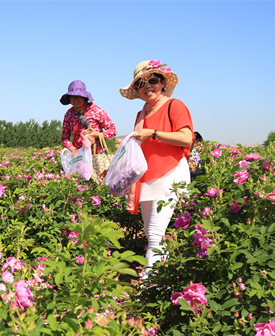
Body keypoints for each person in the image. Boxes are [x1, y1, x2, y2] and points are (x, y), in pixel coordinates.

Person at [119, 60, 194, 279]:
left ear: (162, 83)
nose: (147, 86)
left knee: (154, 233)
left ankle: (149, 282)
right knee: (152, 233)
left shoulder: (174, 105)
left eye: (152, 80)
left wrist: (153, 133)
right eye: (141, 83)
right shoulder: (141, 113)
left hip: (169, 176)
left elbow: (186, 137)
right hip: (147, 179)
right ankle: (165, 277)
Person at [61, 80, 117, 158]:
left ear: (84, 97)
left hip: (98, 155)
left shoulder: (97, 111)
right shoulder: (69, 114)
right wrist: (72, 149)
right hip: (79, 157)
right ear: (69, 99)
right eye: (72, 97)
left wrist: (98, 135)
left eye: (78, 96)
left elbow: (113, 130)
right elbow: (65, 138)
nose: (75, 99)